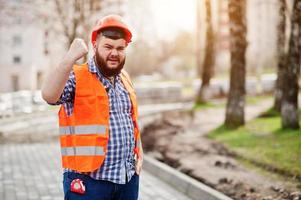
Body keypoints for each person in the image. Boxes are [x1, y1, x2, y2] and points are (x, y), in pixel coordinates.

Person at [41, 14, 143, 200]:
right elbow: (49, 95)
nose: (114, 53)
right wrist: (69, 58)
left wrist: (139, 152)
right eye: (108, 47)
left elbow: (131, 119)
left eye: (120, 48)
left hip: (127, 180)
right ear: (95, 45)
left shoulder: (125, 79)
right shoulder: (77, 77)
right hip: (89, 183)